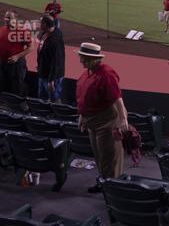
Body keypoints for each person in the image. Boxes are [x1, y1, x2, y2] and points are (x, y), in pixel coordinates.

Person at [75, 42, 128, 193]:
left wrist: (123, 119)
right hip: (92, 121)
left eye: (84, 58)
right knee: (99, 155)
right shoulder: (88, 72)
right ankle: (104, 182)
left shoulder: (106, 73)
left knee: (109, 157)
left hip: (107, 122)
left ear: (94, 59)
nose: (81, 61)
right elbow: (83, 97)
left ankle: (112, 189)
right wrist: (81, 116)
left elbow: (117, 99)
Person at [0, 11, 34, 95]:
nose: (6, 19)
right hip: (2, 63)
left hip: (16, 65)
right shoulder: (2, 29)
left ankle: (18, 105)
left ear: (15, 19)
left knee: (17, 87)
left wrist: (17, 56)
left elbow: (31, 47)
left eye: (9, 18)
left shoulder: (22, 31)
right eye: (5, 17)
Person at [36, 15, 65, 102]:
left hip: (52, 77)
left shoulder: (56, 40)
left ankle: (57, 115)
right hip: (43, 72)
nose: (39, 25)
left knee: (54, 99)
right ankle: (42, 115)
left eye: (40, 23)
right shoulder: (45, 34)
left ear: (45, 24)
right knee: (42, 99)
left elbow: (57, 61)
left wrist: (51, 80)